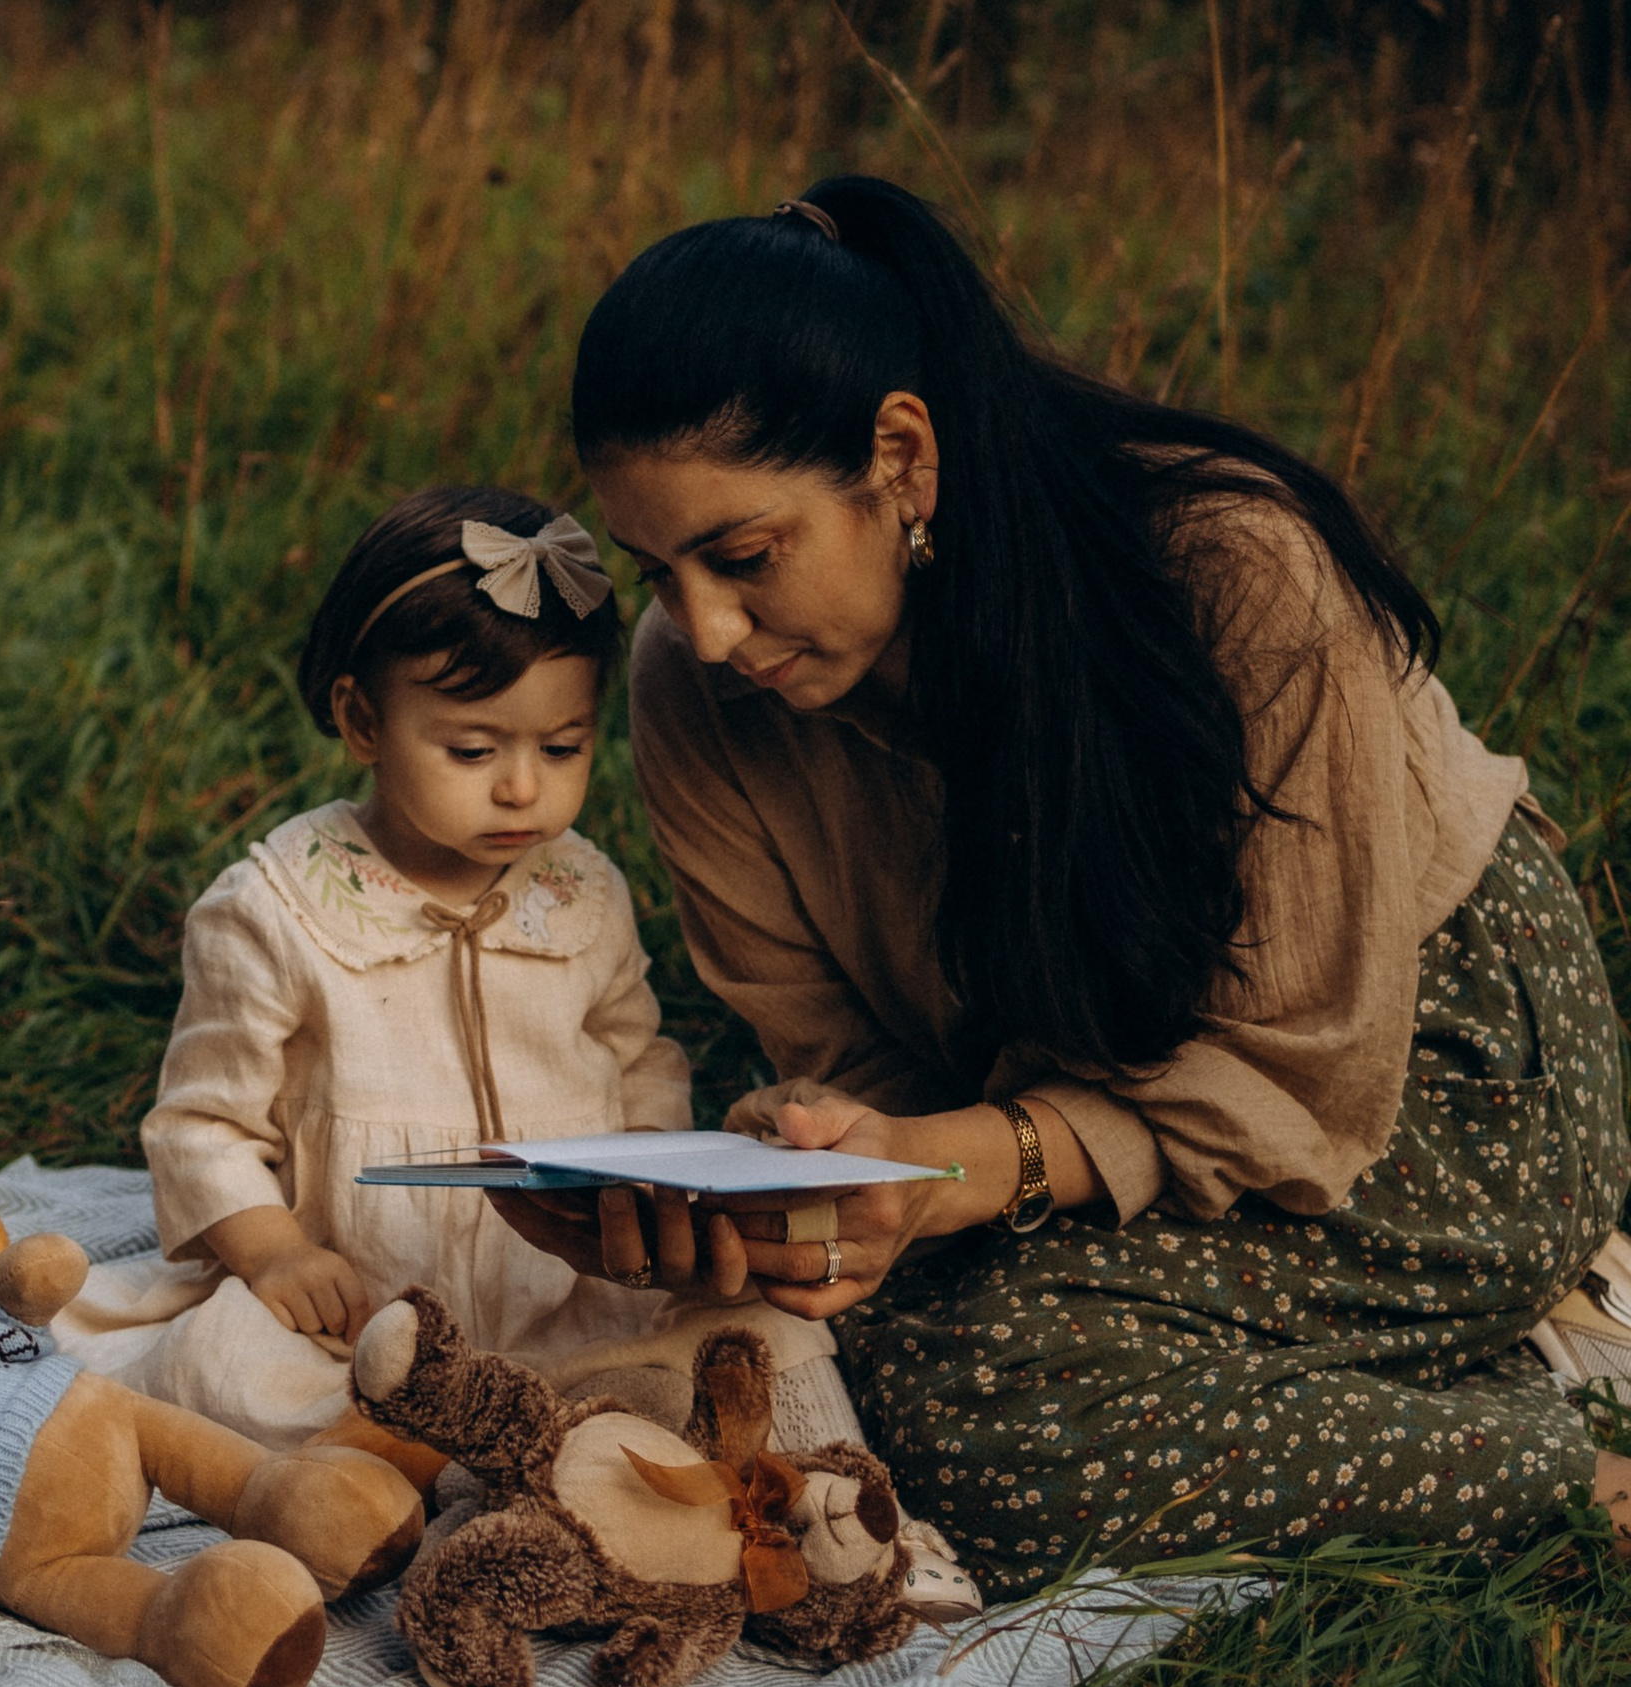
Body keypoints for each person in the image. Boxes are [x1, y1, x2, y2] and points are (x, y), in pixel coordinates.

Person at [485, 176, 1631, 1587]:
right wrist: (803, 1177)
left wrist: (953, 1174)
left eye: (744, 558)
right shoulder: (691, 691)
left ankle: (1567, 1473)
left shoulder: (1231, 570)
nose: (709, 631)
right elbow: (851, 1058)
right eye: (662, 572)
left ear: (901, 458)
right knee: (865, 1355)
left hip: (1417, 1071)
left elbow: (1308, 1076)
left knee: (971, 1411)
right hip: (1069, 1093)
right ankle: (1359, 1386)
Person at [53, 481, 855, 1451]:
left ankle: (806, 1491)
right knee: (219, 1364)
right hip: (357, 1312)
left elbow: (639, 1057)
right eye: (472, 748)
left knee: (762, 1336)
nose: (522, 784)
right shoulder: (274, 905)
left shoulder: (583, 893)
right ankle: (449, 1459)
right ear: (362, 722)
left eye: (561, 745)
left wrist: (658, 1183)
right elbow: (201, 1122)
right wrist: (273, 1253)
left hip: (572, 1297)